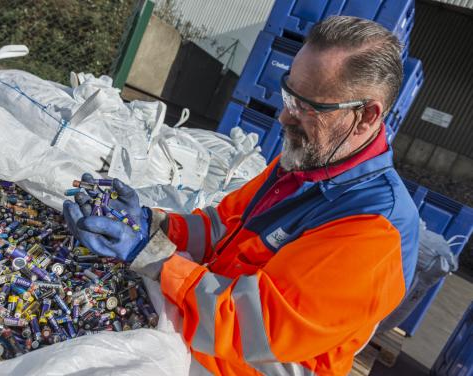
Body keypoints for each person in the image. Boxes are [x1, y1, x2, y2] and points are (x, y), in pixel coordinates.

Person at [64, 15, 419, 376]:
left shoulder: (373, 230)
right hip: (201, 333)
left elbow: (249, 328)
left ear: (365, 117)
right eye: (288, 94)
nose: (283, 116)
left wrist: (151, 254)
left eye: (306, 107)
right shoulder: (305, 165)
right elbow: (222, 227)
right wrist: (151, 221)